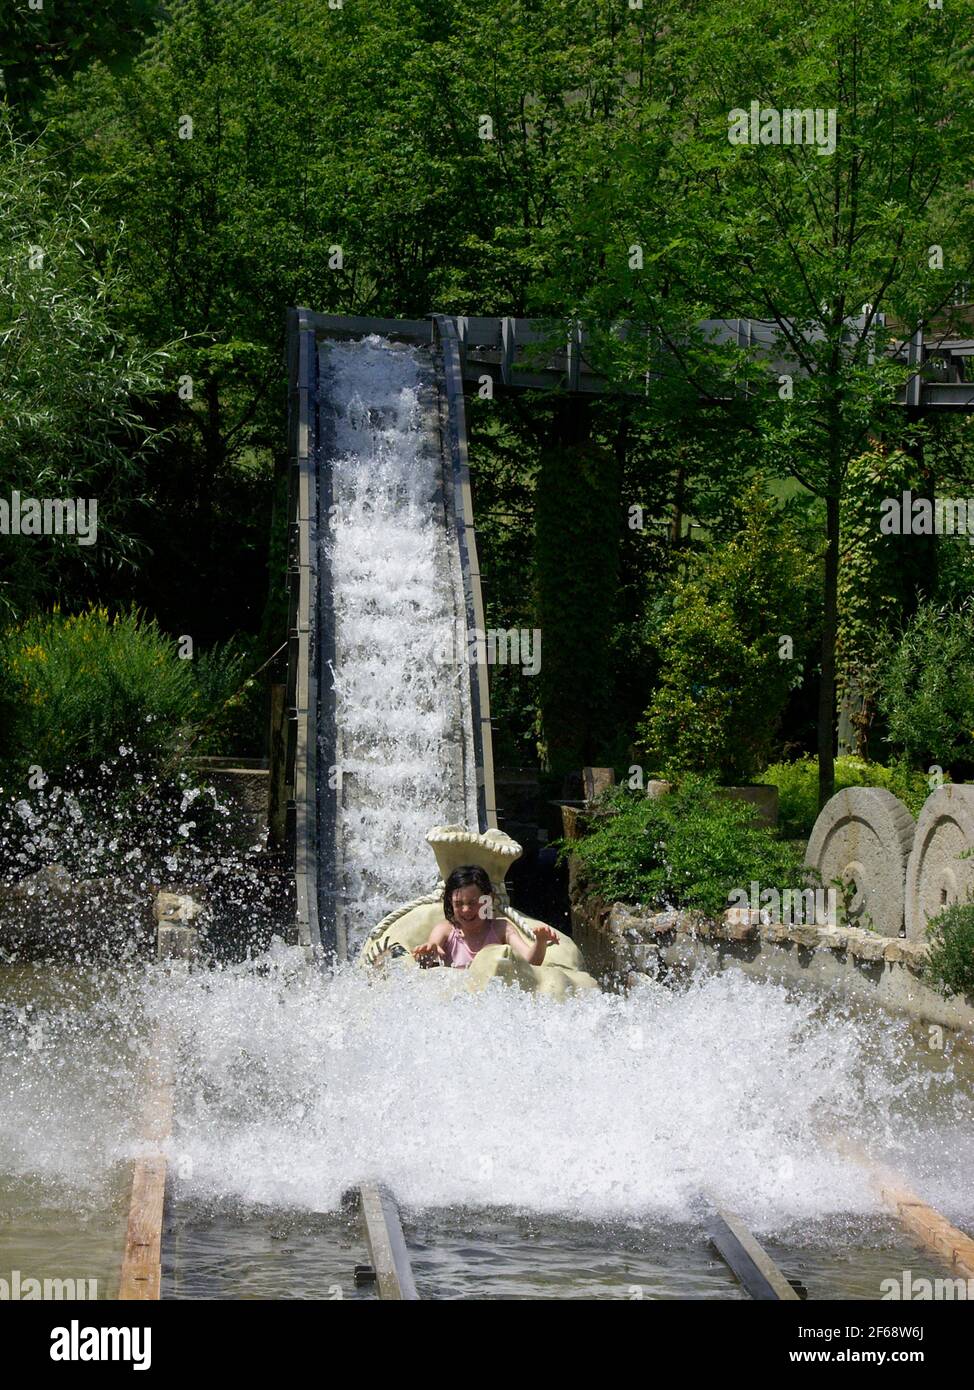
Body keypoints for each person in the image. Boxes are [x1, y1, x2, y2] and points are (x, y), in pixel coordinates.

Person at [412, 864, 559, 969]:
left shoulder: (501, 929)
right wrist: (428, 954)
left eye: (473, 902)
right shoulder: (445, 931)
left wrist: (540, 942)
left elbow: (529, 961)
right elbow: (429, 957)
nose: (466, 910)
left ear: (489, 899)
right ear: (450, 903)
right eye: (458, 904)